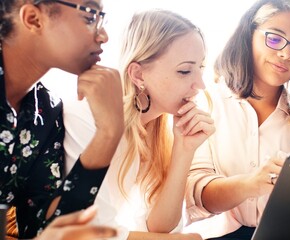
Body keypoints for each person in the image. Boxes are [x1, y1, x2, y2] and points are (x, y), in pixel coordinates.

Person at [184, 0, 290, 239]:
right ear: (248, 36)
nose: (286, 54)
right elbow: (197, 195)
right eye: (275, 39)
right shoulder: (206, 103)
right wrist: (250, 184)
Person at [63, 9, 214, 240]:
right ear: (138, 74)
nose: (200, 84)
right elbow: (87, 232)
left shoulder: (153, 130)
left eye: (200, 68)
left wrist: (184, 150)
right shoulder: (89, 120)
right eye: (184, 71)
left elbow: (161, 226)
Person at [0, 0, 124, 239]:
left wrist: (109, 132)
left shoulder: (45, 113)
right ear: (34, 19)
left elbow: (45, 227)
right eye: (90, 17)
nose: (104, 36)